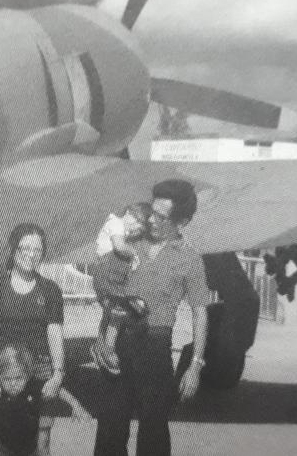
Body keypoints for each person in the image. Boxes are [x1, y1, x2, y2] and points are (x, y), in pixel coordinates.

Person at [93, 179, 212, 456]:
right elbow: (109, 292)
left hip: (154, 348)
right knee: (110, 430)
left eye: (162, 216)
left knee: (154, 433)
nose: (152, 220)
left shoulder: (190, 260)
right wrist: (101, 340)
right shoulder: (130, 243)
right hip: (118, 343)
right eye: (152, 213)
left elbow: (200, 312)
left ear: (182, 221)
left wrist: (195, 365)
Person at [0, 223, 65, 456]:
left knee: (41, 444)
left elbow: (55, 333)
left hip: (41, 376)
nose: (31, 254)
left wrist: (58, 373)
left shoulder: (51, 290)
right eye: (25, 248)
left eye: (37, 250)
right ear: (13, 249)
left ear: (43, 253)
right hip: (3, 376)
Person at [0, 343, 90, 456]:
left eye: (18, 378)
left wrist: (76, 405)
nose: (13, 384)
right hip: (0, 448)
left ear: (27, 375)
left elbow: (58, 390)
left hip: (29, 448)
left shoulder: (32, 386)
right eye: (7, 379)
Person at [90, 202, 152, 374]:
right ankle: (108, 348)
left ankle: (100, 347)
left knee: (112, 313)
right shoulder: (116, 223)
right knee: (118, 312)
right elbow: (118, 246)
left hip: (115, 279)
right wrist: (134, 255)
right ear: (132, 215)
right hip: (106, 276)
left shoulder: (122, 230)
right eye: (139, 227)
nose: (136, 232)